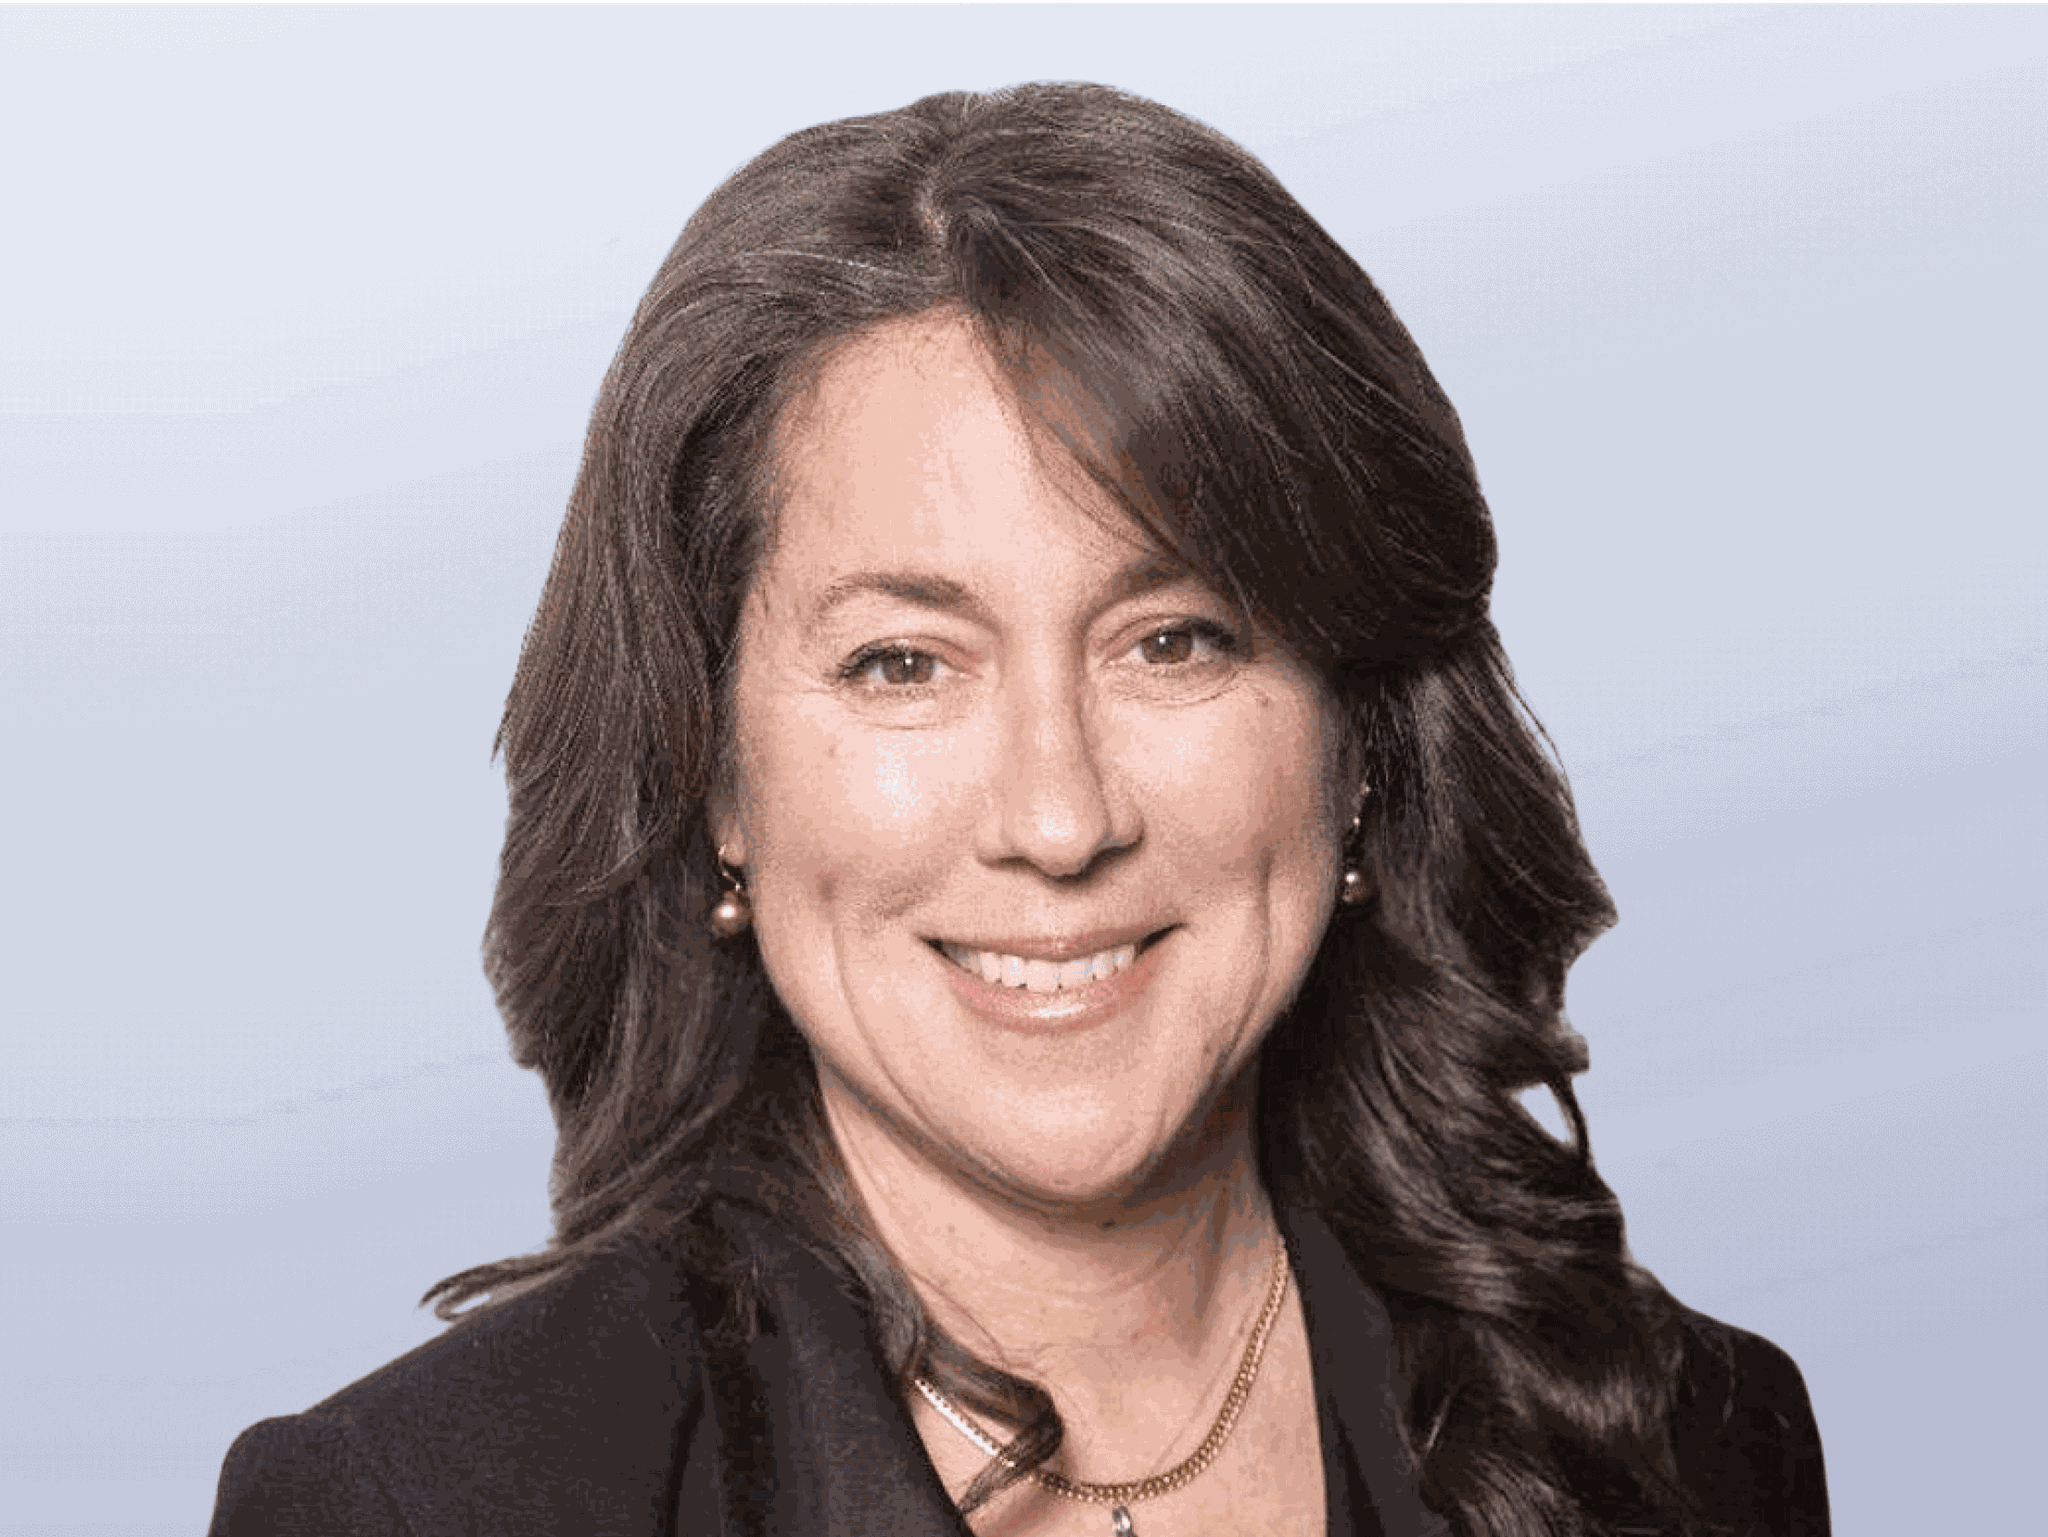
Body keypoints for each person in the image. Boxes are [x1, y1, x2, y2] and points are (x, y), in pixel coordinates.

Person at [208, 83, 1828, 1536]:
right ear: (712, 781)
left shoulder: (1686, 1444)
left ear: (1362, 748)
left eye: (1175, 640)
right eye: (904, 662)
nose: (1058, 820)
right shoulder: (430, 1506)